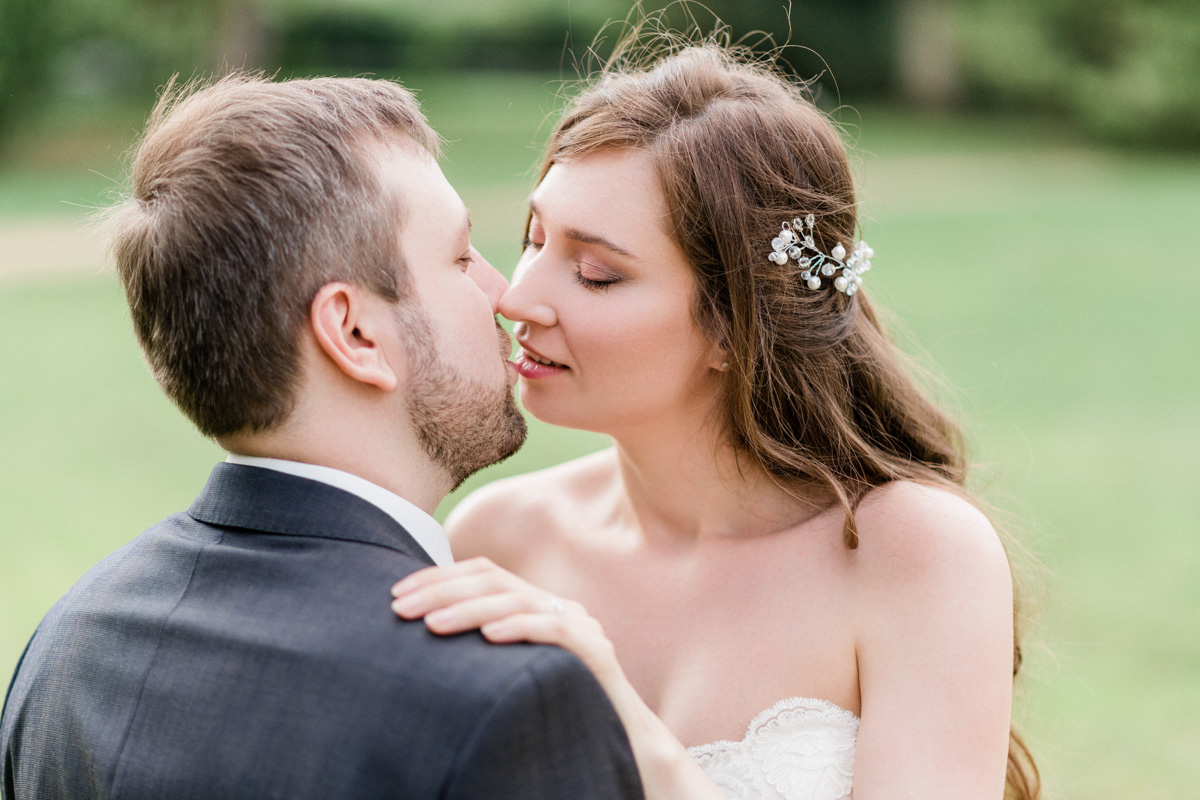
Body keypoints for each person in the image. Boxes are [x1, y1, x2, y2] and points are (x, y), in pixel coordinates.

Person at [389, 41, 1040, 800]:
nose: (518, 298)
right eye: (533, 239)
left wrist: (619, 718)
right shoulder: (496, 540)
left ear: (735, 329)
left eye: (596, 273)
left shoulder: (914, 553)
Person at [0, 74, 643, 800]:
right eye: (461, 259)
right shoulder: (505, 696)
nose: (507, 294)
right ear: (355, 332)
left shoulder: (65, 644)